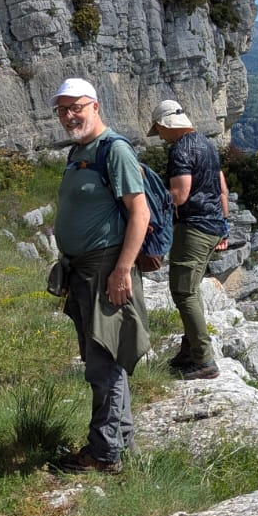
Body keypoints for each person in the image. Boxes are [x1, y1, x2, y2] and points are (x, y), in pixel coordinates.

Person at [50, 78, 151, 475]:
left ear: (95, 106)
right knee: (102, 358)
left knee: (104, 360)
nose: (69, 115)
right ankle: (121, 443)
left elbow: (139, 213)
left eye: (76, 107)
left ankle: (104, 452)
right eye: (62, 110)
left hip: (105, 270)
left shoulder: (115, 150)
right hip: (83, 271)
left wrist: (122, 270)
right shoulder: (78, 151)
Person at [147, 97, 229, 380]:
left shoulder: (181, 149)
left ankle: (204, 359)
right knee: (191, 289)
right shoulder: (207, 144)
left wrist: (148, 205)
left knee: (183, 291)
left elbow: (180, 195)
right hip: (212, 225)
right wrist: (225, 224)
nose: (160, 137)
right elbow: (221, 188)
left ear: (166, 124)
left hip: (194, 227)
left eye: (159, 130)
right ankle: (190, 350)